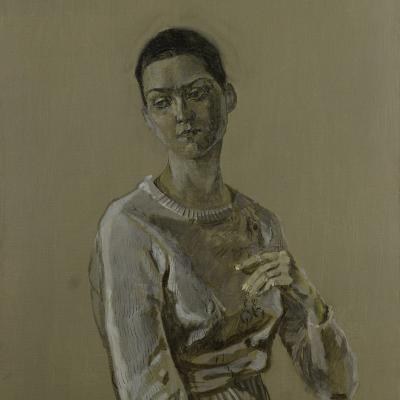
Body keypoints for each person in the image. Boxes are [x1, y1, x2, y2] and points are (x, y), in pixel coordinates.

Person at [88, 28, 358, 400]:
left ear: (228, 97)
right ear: (148, 117)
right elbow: (144, 387)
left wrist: (309, 298)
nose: (182, 114)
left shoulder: (260, 224)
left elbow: (336, 386)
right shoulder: (130, 225)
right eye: (162, 102)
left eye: (197, 93)